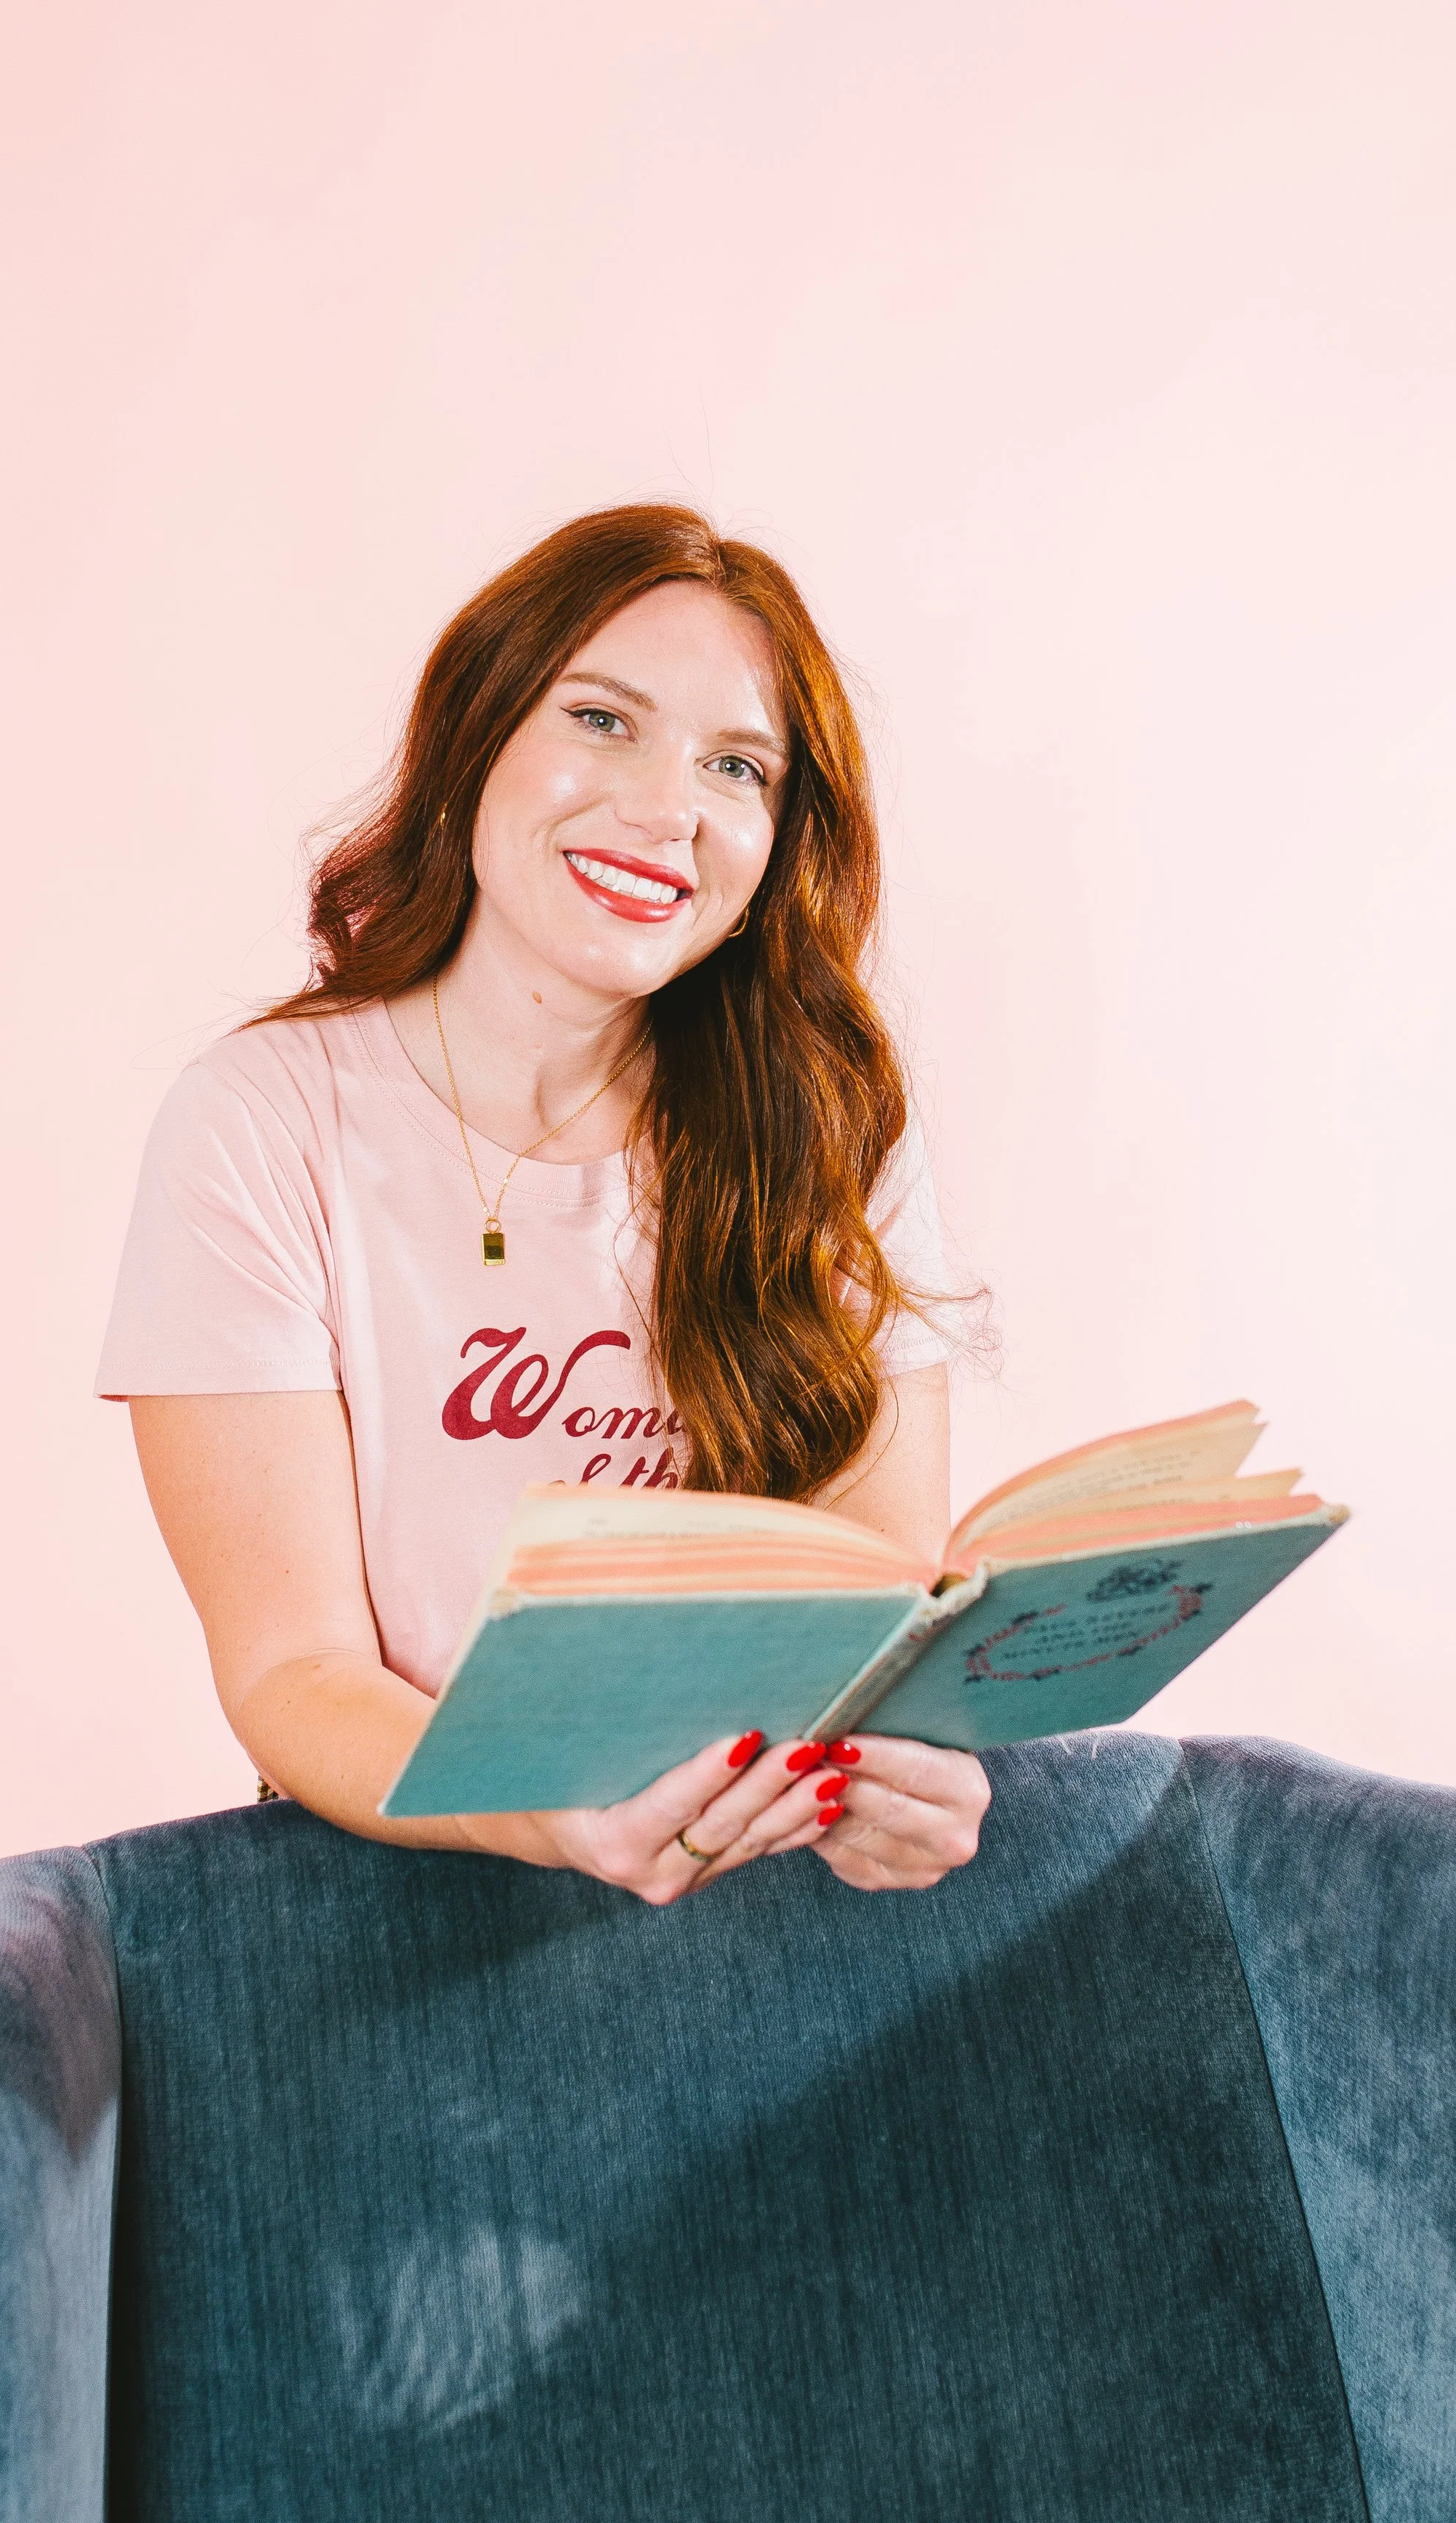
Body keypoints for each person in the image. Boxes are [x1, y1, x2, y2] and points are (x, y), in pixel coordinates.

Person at [98, 504, 991, 1902]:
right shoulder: (264, 1126)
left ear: (775, 846)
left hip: (761, 1902)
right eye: (603, 720)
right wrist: (554, 1805)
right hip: (405, 1918)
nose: (665, 809)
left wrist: (899, 1774)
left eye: (736, 765)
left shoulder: (829, 1131)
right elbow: (292, 1666)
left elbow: (877, 1602)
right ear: (478, 739)